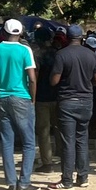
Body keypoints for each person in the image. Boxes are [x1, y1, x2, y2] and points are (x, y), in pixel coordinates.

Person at [0, 19, 38, 190]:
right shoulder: (24, 50)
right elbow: (31, 78)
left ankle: (10, 183)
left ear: (4, 32)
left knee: (7, 141)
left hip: (3, 97)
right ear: (20, 32)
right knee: (29, 142)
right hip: (22, 97)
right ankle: (24, 183)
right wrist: (33, 99)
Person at [48, 25, 96, 190]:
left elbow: (54, 81)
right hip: (86, 101)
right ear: (82, 37)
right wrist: (86, 85)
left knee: (67, 142)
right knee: (82, 139)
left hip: (67, 101)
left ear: (66, 38)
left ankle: (67, 180)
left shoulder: (61, 55)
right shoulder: (91, 55)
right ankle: (83, 177)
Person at [32, 27, 61, 173]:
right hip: (58, 96)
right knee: (61, 128)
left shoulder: (36, 55)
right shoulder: (58, 54)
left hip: (42, 97)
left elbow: (34, 76)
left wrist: (33, 95)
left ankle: (47, 163)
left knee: (43, 131)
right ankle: (65, 157)